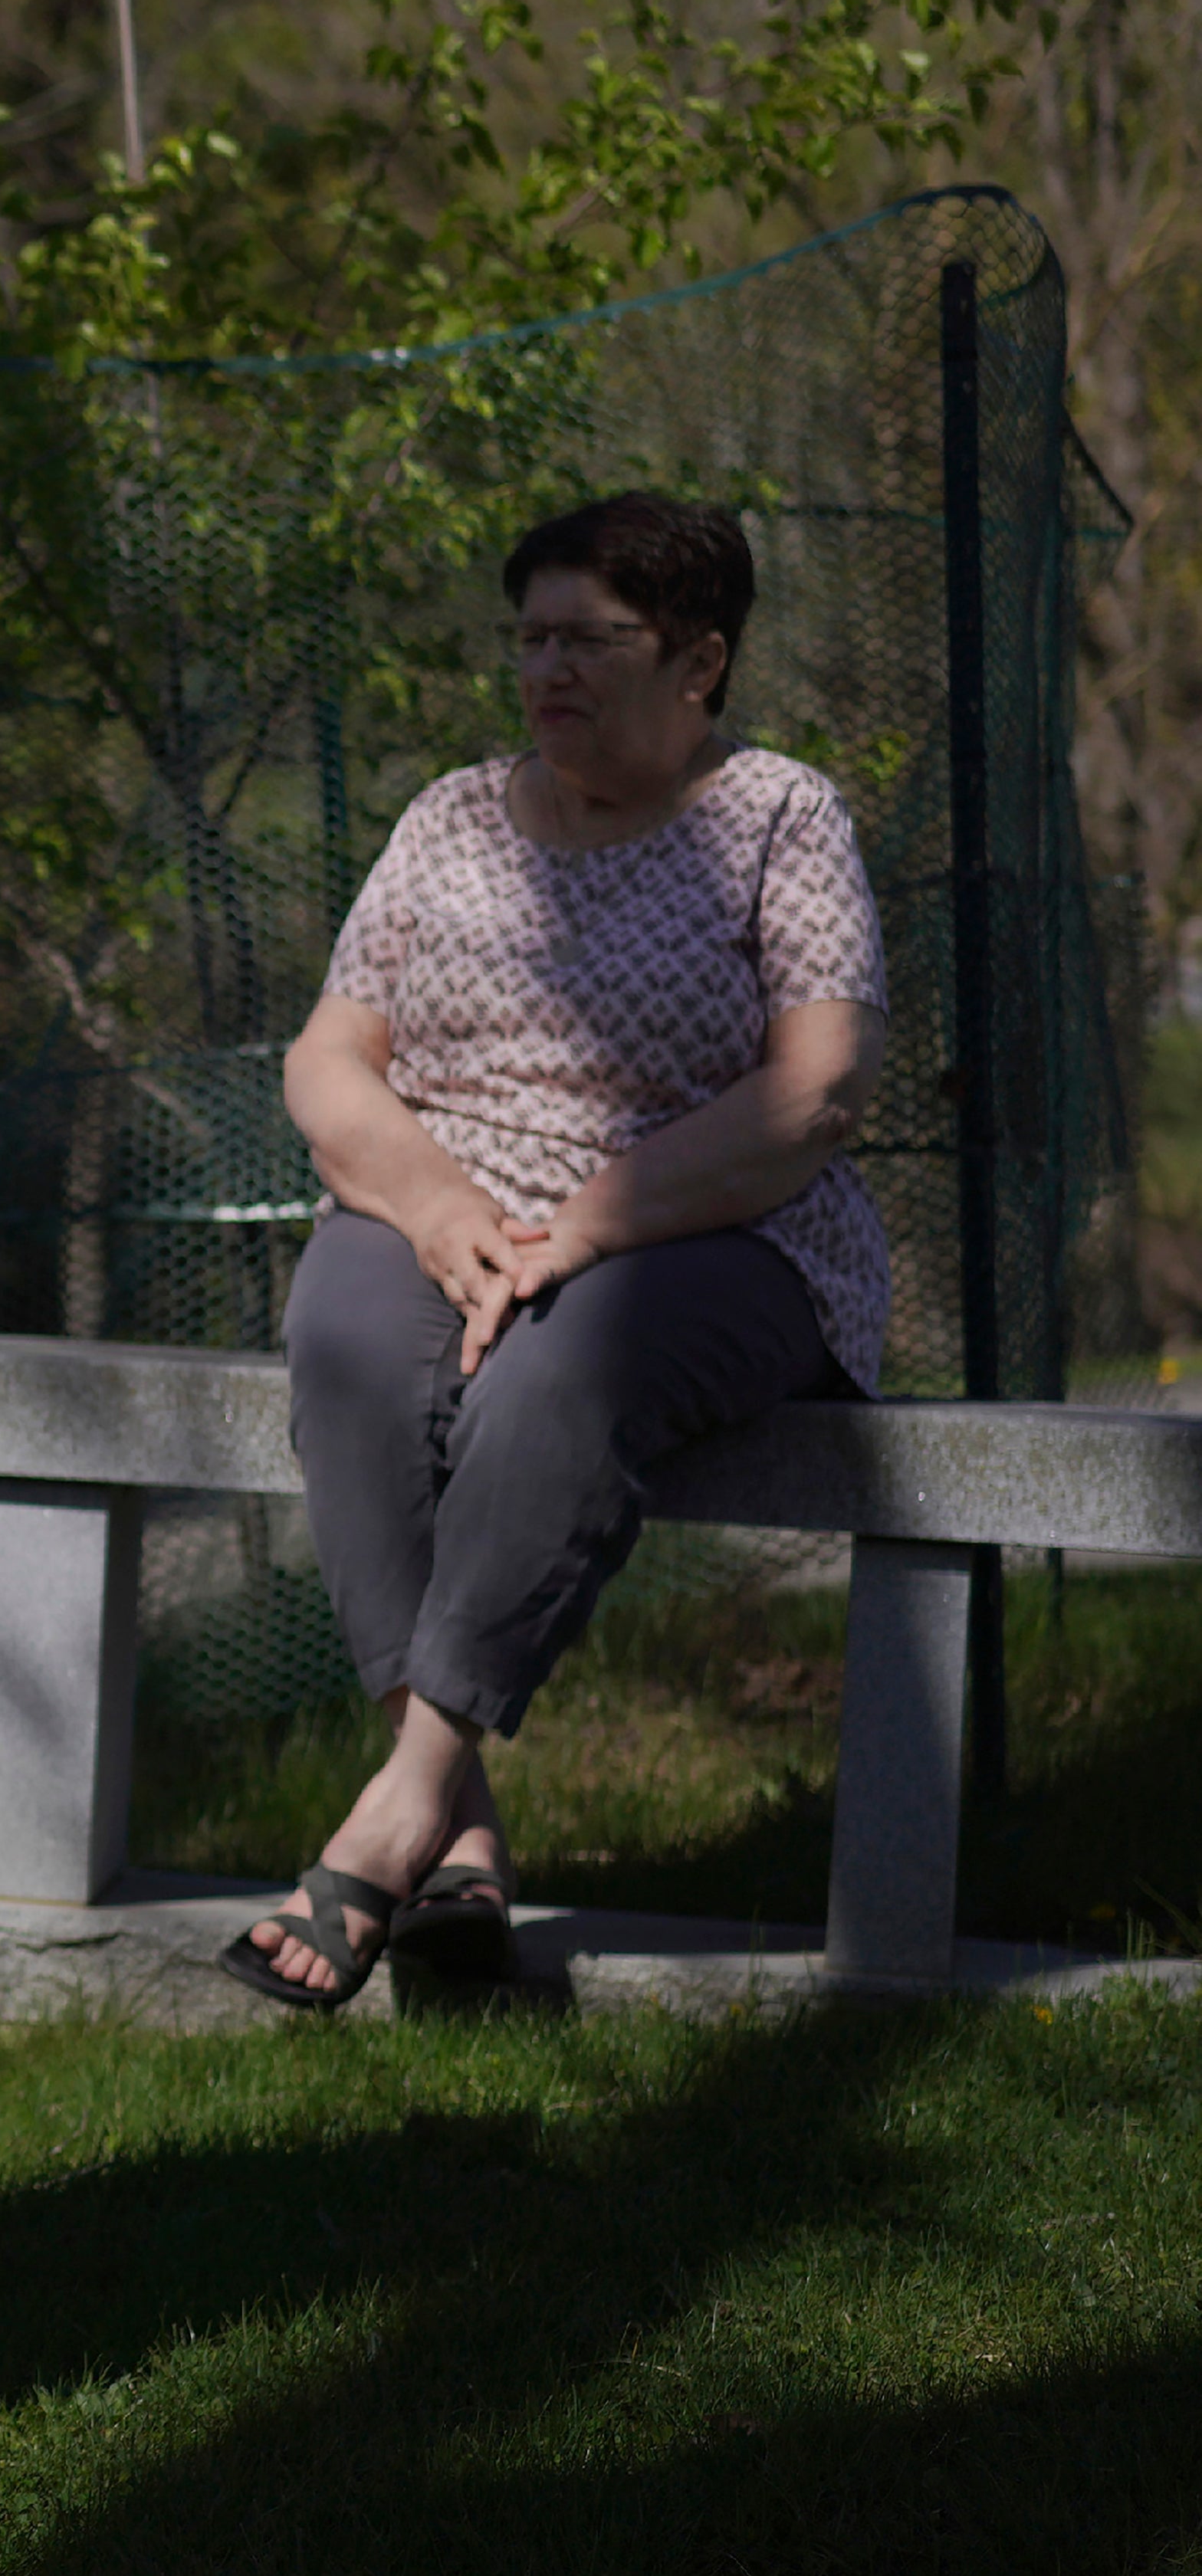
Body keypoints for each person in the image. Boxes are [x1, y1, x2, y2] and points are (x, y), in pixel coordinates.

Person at [233, 491, 887, 2009]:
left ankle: (397, 1804)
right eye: (530, 638)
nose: (547, 670)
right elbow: (330, 1063)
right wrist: (447, 1209)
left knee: (560, 1368)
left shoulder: (782, 816)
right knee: (340, 1336)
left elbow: (817, 1093)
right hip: (448, 1217)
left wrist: (585, 1227)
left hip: (726, 1237)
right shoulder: (451, 817)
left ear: (700, 660)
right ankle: (456, 1826)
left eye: (591, 640)